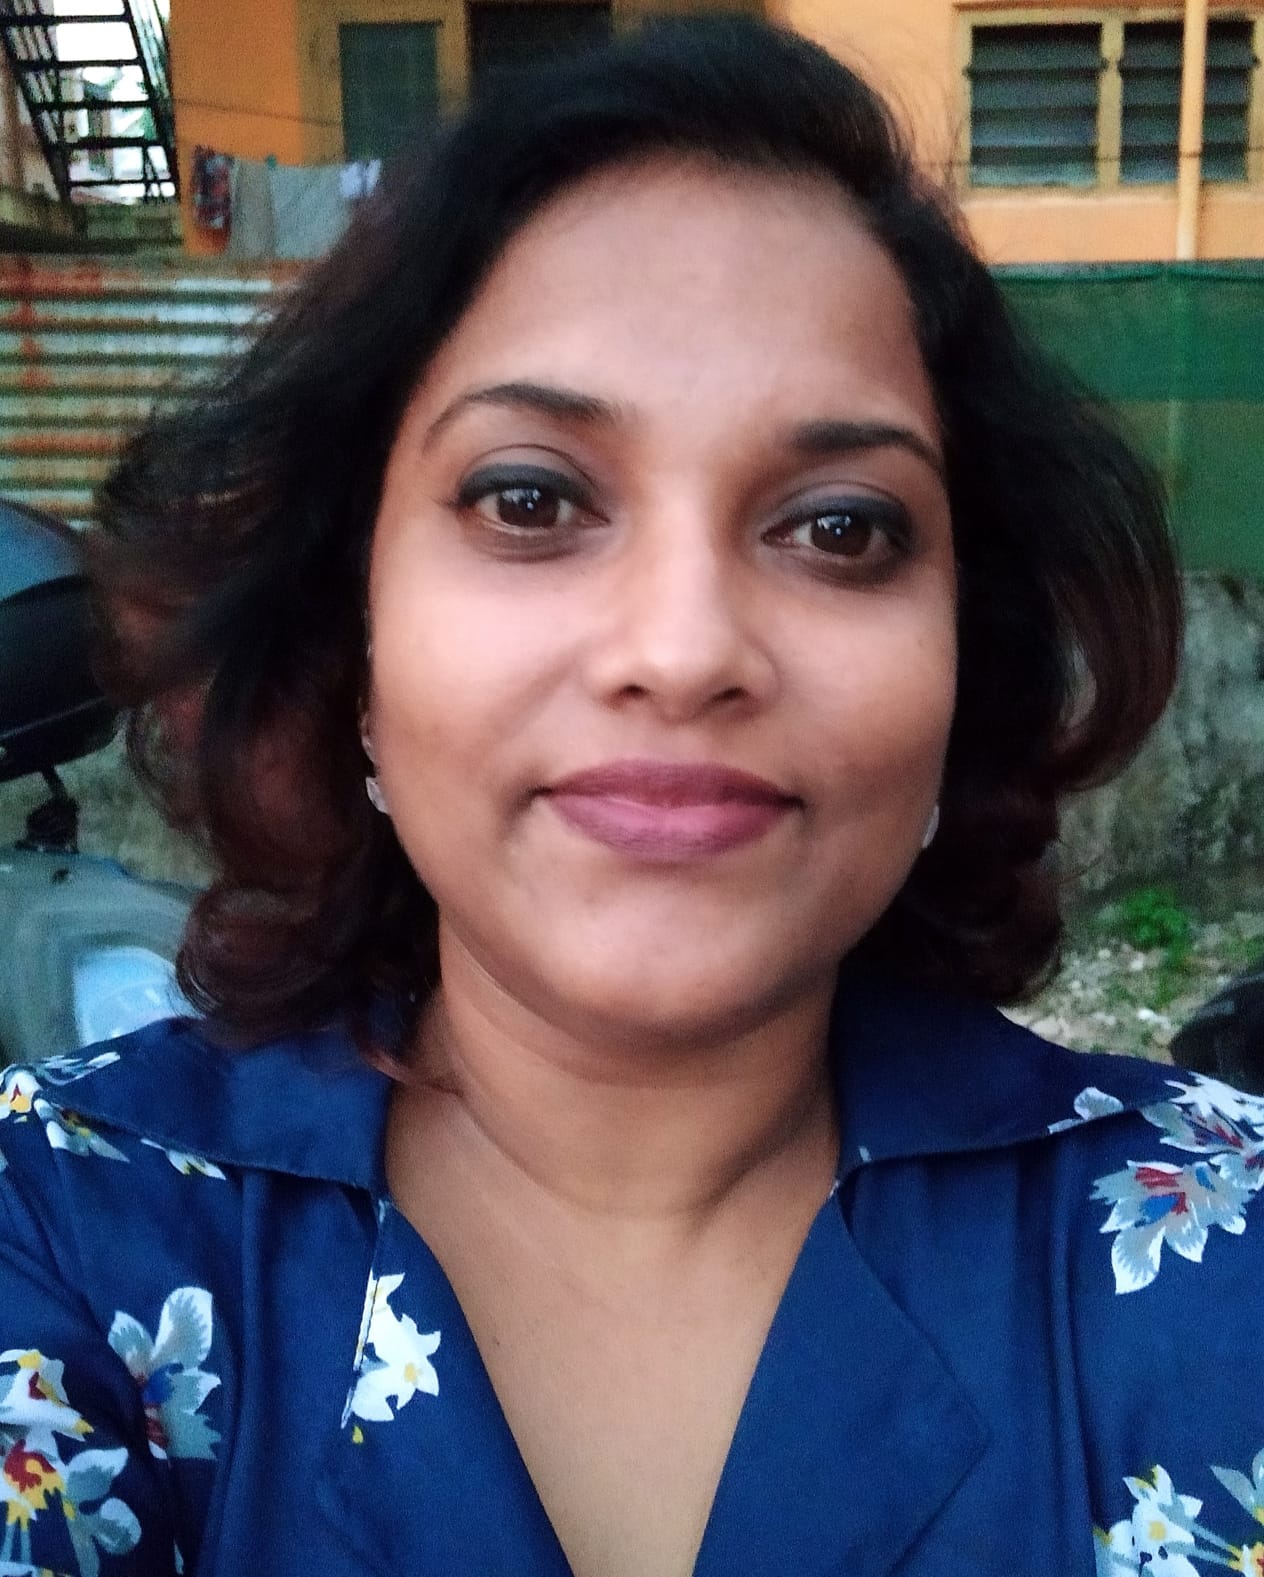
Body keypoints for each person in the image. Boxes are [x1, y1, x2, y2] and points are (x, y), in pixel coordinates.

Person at [1, 17, 1259, 1576]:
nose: (683, 650)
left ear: (960, 666)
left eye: (842, 529)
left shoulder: (1220, 1249)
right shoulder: (60, 1225)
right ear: (353, 646)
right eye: (529, 498)